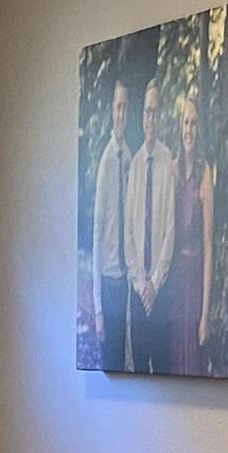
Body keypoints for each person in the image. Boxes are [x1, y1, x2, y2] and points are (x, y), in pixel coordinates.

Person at [158, 74, 216, 374]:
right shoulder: (172, 169)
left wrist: (205, 313)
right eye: (185, 123)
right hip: (172, 282)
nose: (189, 130)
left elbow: (208, 248)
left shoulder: (205, 175)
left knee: (190, 361)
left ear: (200, 129)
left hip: (194, 283)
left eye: (194, 123)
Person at [123, 77, 178, 372]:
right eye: (146, 111)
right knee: (139, 376)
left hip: (161, 289)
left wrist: (155, 283)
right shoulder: (134, 166)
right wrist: (140, 282)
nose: (150, 118)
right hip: (138, 287)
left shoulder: (167, 161)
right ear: (141, 115)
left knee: (163, 370)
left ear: (161, 116)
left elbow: (171, 228)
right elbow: (128, 233)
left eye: (155, 112)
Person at [90, 78, 135, 369]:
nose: (121, 114)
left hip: (124, 279)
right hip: (107, 281)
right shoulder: (107, 162)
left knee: (123, 359)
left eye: (125, 108)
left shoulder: (130, 157)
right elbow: (97, 232)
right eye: (117, 107)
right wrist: (97, 309)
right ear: (111, 110)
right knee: (110, 363)